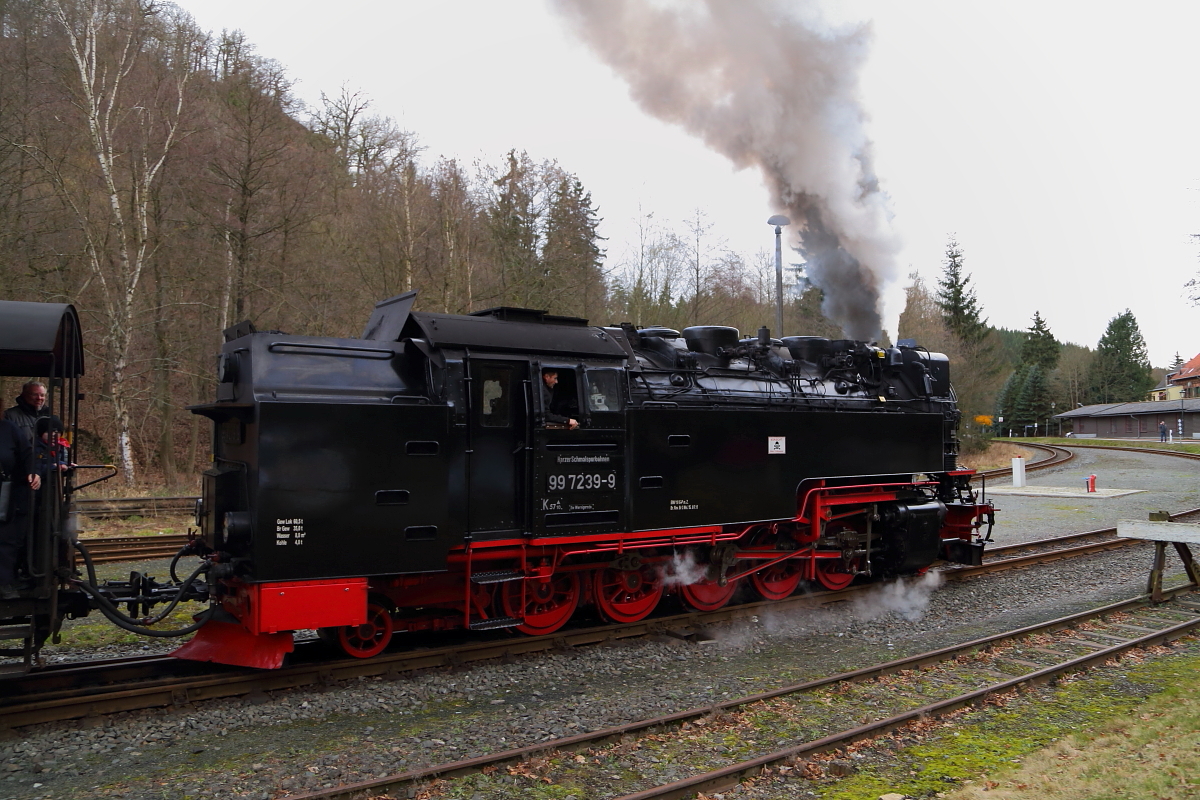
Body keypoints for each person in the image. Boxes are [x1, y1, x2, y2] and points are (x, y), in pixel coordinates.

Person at [0, 410, 41, 600]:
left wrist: (33, 472)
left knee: (7, 538)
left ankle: (5, 583)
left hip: (4, 490)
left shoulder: (9, 429)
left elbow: (28, 454)